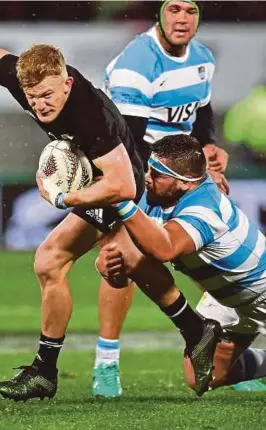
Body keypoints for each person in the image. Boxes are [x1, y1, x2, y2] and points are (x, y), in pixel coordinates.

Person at [0, 43, 220, 401]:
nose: (40, 104)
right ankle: (195, 328)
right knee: (123, 261)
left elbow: (123, 185)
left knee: (53, 259)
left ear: (66, 84)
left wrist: (63, 199)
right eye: (32, 97)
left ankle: (45, 371)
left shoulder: (89, 115)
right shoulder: (25, 77)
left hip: (120, 181)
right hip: (99, 178)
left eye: (48, 94)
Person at [93, 0, 230, 396]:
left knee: (219, 256)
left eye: (190, 10)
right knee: (120, 262)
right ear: (160, 14)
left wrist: (208, 147)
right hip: (141, 176)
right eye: (174, 9)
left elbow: (200, 113)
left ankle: (225, 359)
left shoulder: (202, 57)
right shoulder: (139, 62)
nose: (182, 19)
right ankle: (106, 366)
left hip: (178, 178)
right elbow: (127, 142)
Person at [96, 134, 266, 396]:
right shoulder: (154, 197)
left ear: (185, 184)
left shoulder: (205, 208)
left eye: (157, 174)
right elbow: (127, 261)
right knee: (202, 378)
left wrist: (120, 201)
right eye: (149, 169)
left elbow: (164, 248)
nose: (147, 178)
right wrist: (107, 266)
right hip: (226, 299)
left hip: (262, 292)